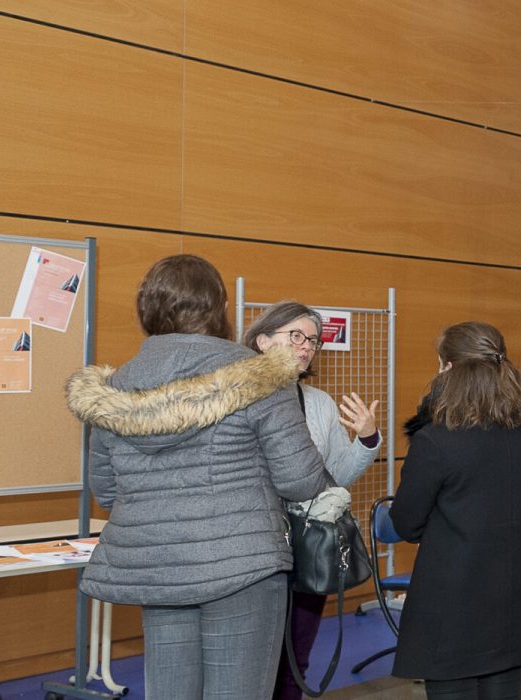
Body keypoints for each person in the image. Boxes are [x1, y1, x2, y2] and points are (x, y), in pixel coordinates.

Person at [64, 254, 329, 698]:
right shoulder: (261, 376)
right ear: (219, 307)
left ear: (147, 308)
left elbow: (107, 491)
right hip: (245, 564)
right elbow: (299, 480)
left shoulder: (112, 391)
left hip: (160, 567)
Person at [388, 322, 521, 698]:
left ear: (448, 369)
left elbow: (406, 523)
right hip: (514, 598)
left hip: (452, 605)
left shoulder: (436, 440)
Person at [243, 302, 385, 700]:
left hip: (307, 548)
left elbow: (335, 477)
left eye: (313, 340)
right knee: (250, 665)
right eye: (296, 336)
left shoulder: (319, 403)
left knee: (296, 663)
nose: (307, 347)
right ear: (262, 340)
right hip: (252, 551)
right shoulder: (235, 399)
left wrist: (368, 440)